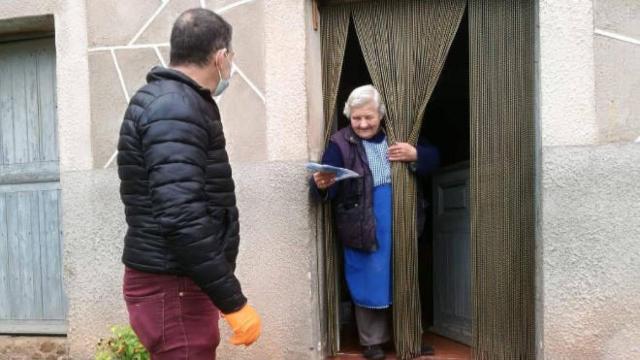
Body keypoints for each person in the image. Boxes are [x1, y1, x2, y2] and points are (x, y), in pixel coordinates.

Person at [117, 8, 260, 359]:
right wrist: (234, 302)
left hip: (177, 284)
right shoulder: (175, 107)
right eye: (231, 58)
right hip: (172, 285)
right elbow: (182, 217)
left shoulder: (173, 101)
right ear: (221, 56)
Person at [312, 85, 439, 360]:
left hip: (399, 215)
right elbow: (327, 183)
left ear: (381, 115)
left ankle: (408, 337)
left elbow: (435, 159)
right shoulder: (340, 143)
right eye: (356, 117)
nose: (363, 123)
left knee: (401, 273)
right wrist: (323, 185)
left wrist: (416, 154)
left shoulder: (399, 135)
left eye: (368, 117)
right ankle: (372, 342)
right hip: (361, 219)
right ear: (349, 116)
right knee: (368, 277)